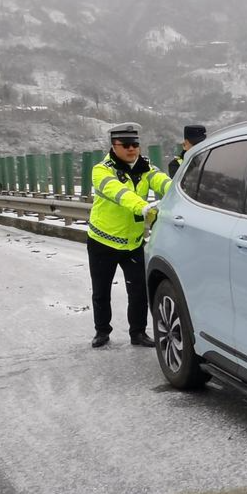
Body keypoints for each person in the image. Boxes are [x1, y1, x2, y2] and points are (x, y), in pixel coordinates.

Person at [88, 122, 172, 348]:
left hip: (133, 243)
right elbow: (118, 192)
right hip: (102, 241)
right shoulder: (101, 170)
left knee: (138, 291)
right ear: (113, 146)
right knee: (101, 291)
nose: (132, 149)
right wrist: (142, 207)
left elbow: (163, 182)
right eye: (125, 145)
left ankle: (138, 333)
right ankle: (102, 331)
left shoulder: (146, 168)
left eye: (135, 144)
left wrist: (177, 191)